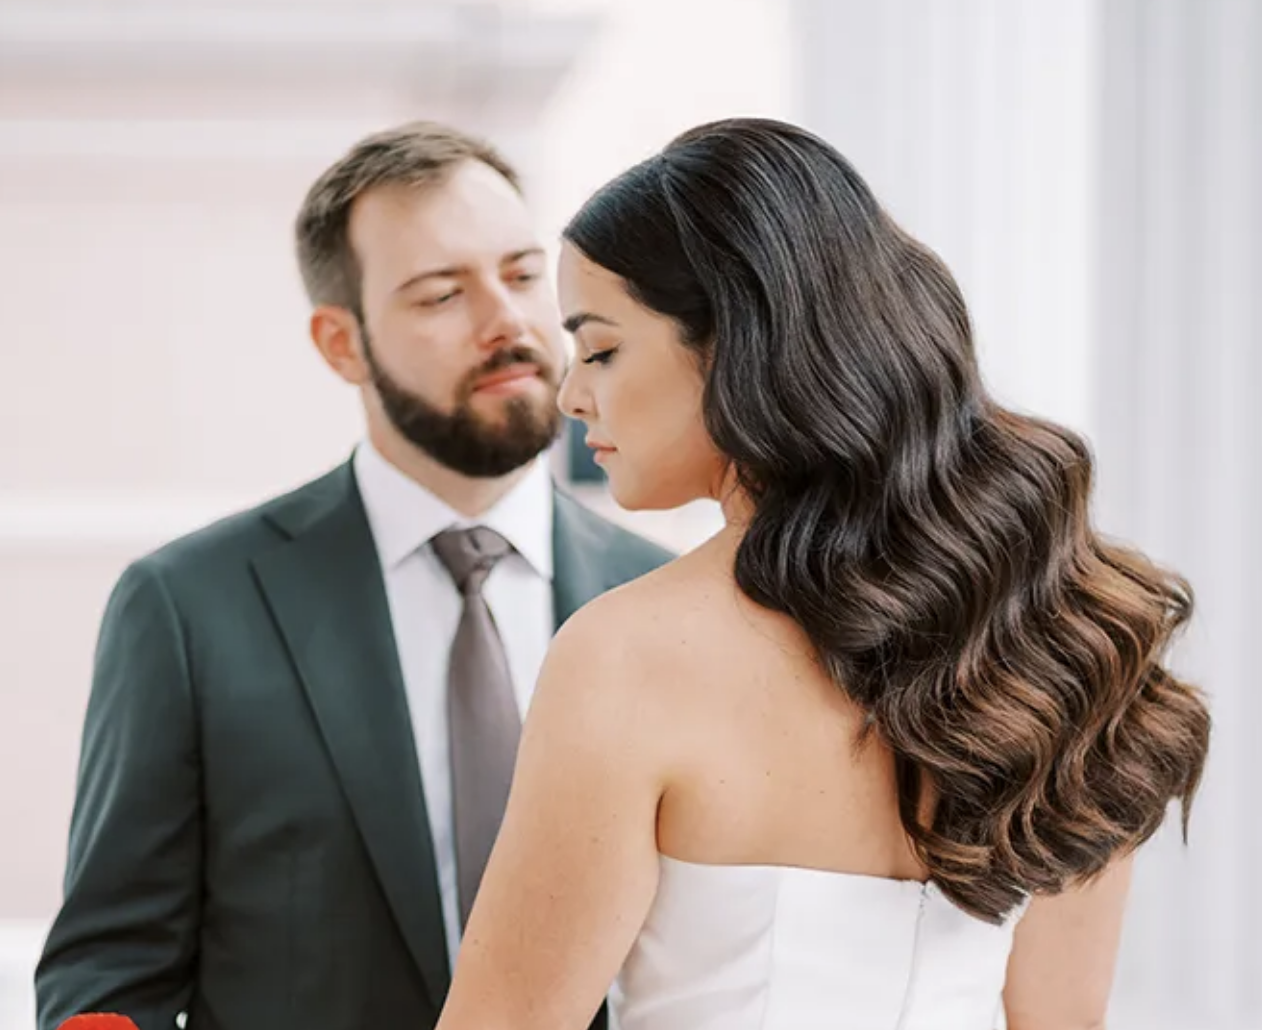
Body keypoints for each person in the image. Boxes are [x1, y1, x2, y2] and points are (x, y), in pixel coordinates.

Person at [432, 118, 1213, 1030]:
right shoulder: (1063, 636)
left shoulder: (624, 658)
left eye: (601, 348)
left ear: (736, 347)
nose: (571, 396)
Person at [35, 122, 671, 1030]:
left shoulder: (666, 599)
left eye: (525, 275)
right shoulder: (188, 609)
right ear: (342, 344)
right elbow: (106, 978)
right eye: (441, 294)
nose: (507, 321)